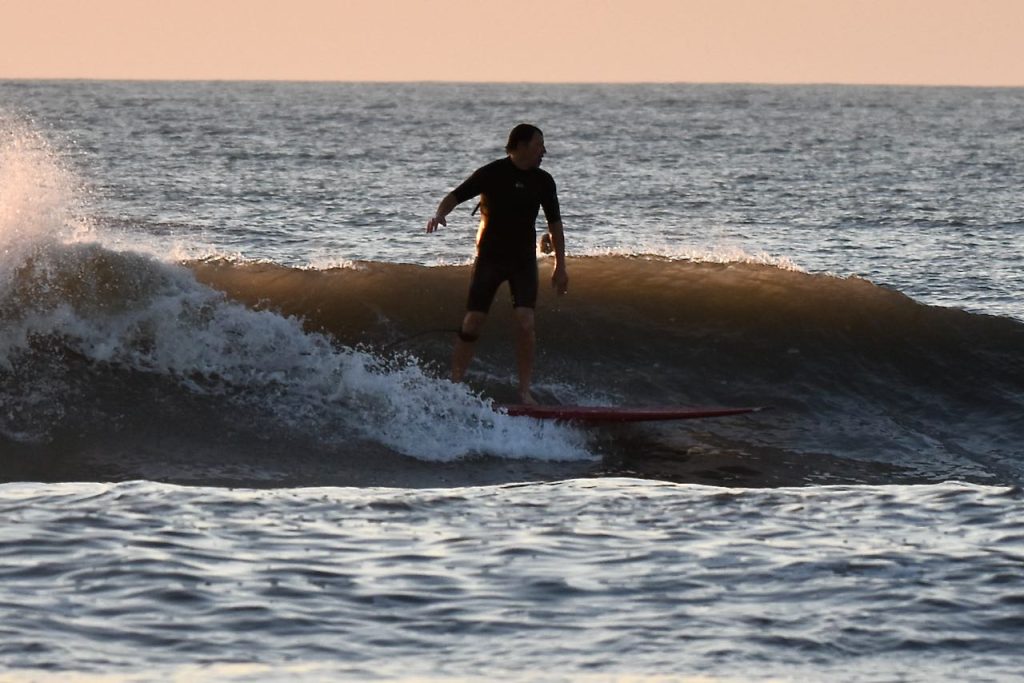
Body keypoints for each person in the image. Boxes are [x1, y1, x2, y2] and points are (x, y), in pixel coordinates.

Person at [426, 123, 569, 405]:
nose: (544, 151)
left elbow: (555, 225)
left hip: (522, 260)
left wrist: (560, 266)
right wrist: (440, 214)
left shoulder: (543, 181)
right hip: (490, 258)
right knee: (473, 321)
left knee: (526, 322)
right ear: (522, 146)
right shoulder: (492, 173)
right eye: (539, 145)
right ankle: (455, 385)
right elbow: (455, 196)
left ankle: (524, 392)